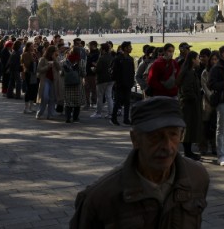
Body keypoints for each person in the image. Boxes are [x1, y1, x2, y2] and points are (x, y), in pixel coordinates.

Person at [70, 96, 210, 228]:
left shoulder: (197, 177)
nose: (167, 146)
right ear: (135, 139)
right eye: (155, 136)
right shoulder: (100, 198)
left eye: (173, 134)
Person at [208, 45, 224, 167]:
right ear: (223, 54)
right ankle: (221, 155)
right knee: (221, 129)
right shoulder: (217, 68)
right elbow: (211, 84)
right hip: (223, 100)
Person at [176, 50, 202, 160]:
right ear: (192, 59)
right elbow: (187, 89)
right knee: (188, 127)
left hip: (189, 103)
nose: (199, 60)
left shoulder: (190, 71)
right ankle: (187, 152)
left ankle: (188, 151)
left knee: (190, 127)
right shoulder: (189, 72)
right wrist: (195, 98)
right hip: (189, 104)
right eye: (197, 58)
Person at [110, 41, 136, 127]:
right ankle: (113, 118)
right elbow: (114, 72)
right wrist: (117, 82)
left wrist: (132, 81)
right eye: (129, 47)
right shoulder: (118, 59)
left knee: (127, 102)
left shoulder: (130, 59)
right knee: (118, 102)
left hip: (128, 83)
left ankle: (126, 119)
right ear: (125, 48)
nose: (131, 48)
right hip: (120, 84)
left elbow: (132, 71)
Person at [35, 45, 60, 119]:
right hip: (45, 79)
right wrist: (47, 67)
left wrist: (55, 60)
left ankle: (50, 114)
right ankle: (39, 112)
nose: (55, 53)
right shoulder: (43, 59)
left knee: (52, 98)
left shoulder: (56, 58)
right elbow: (39, 69)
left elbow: (59, 68)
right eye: (54, 51)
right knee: (45, 97)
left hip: (53, 80)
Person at [92, 42, 114, 119]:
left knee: (100, 96)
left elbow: (98, 69)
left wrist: (94, 69)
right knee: (109, 96)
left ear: (103, 50)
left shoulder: (102, 58)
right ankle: (110, 113)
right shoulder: (111, 57)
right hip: (111, 79)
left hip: (102, 79)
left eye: (101, 49)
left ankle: (98, 113)